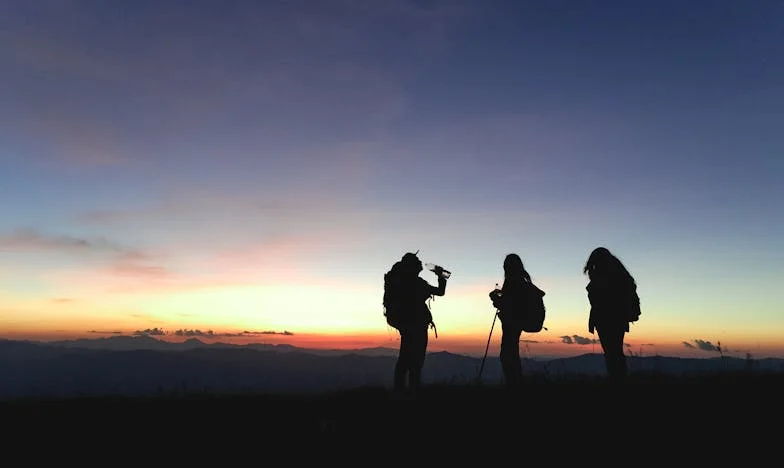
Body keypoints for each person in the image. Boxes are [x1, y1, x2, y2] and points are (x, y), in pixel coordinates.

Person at [386, 252, 447, 395]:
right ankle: (411, 391)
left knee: (406, 359)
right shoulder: (415, 283)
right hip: (416, 326)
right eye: (417, 261)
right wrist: (441, 275)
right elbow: (440, 291)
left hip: (409, 325)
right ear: (412, 266)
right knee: (415, 359)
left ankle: (401, 391)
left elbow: (438, 292)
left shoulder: (408, 282)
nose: (421, 263)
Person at [583, 247, 639, 382]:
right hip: (617, 319)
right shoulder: (618, 274)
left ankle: (617, 378)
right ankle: (618, 377)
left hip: (606, 319)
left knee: (612, 353)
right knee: (615, 351)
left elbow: (599, 300)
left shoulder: (603, 276)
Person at [489, 253, 534, 388]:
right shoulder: (522, 282)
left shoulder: (512, 282)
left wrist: (495, 299)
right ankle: (515, 382)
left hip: (511, 324)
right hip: (516, 323)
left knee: (508, 356)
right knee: (511, 354)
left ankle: (514, 384)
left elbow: (508, 305)